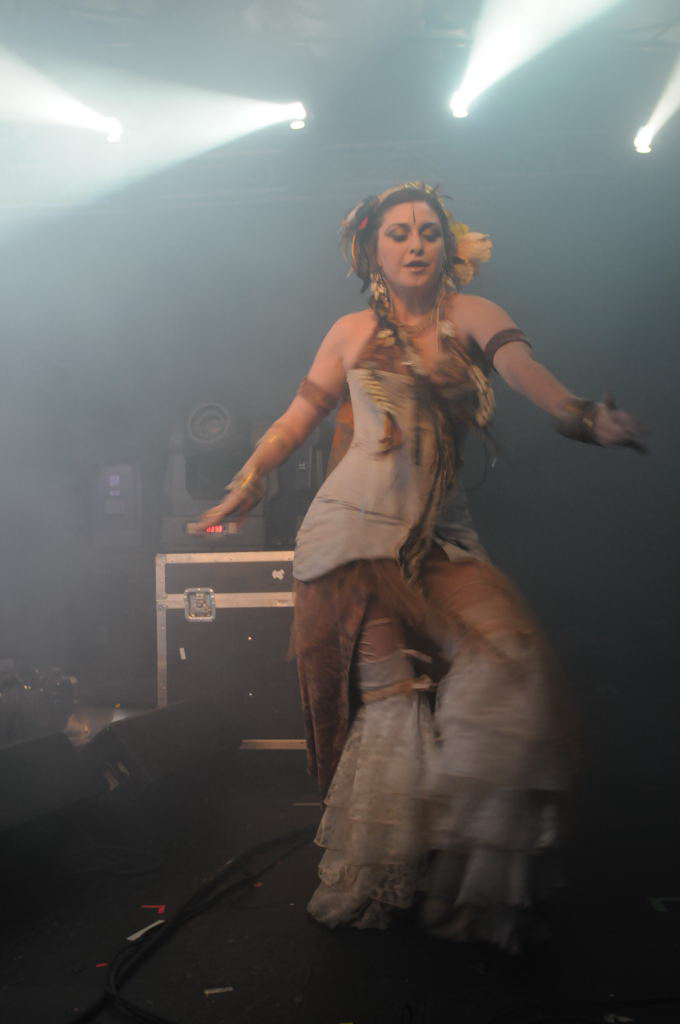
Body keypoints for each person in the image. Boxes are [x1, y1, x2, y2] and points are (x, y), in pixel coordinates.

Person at [189, 183, 645, 952]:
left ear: (448, 245)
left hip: (437, 538)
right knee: (394, 702)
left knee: (512, 665)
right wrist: (249, 480)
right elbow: (296, 419)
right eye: (398, 232)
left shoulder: (474, 315)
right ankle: (377, 879)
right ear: (371, 248)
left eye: (429, 231)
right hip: (350, 540)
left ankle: (468, 878)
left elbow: (526, 373)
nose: (415, 244)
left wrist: (581, 416)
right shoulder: (349, 332)